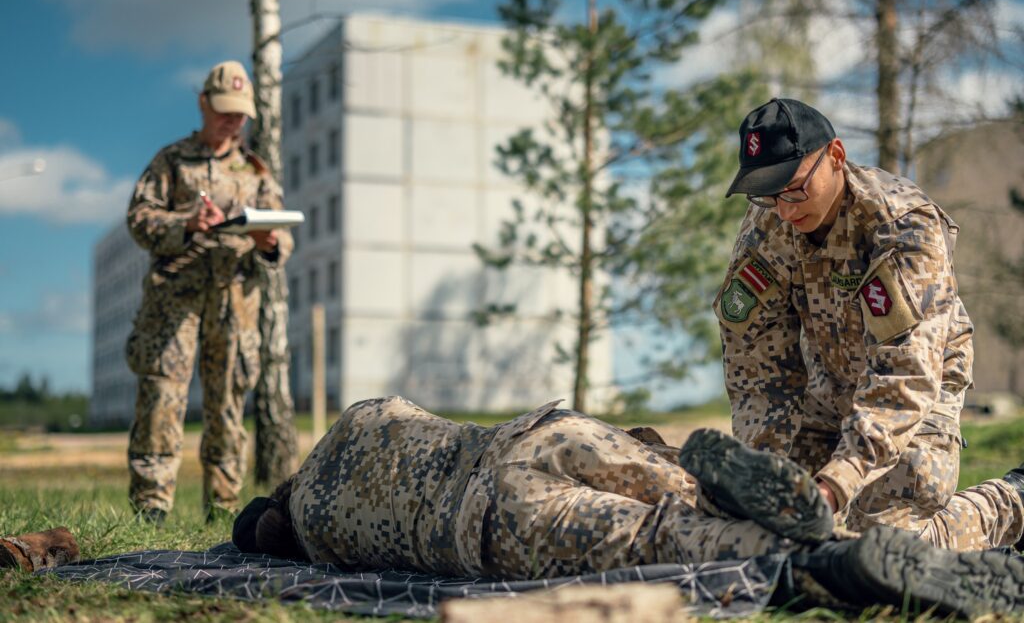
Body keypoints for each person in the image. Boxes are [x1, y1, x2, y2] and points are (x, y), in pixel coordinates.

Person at [232, 397, 1023, 616]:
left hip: (498, 517)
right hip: (542, 431)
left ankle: (826, 563)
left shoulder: (318, 532)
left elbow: (285, 536)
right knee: (680, 483)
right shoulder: (359, 419)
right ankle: (1011, 499)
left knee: (679, 538)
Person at [715, 97, 1024, 551]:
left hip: (919, 392)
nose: (784, 210)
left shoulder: (902, 226)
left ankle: (1013, 502)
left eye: (794, 188)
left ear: (836, 156)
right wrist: (766, 474)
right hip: (827, 388)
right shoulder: (769, 225)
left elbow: (905, 375)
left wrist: (836, 483)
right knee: (777, 534)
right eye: (767, 193)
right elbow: (757, 368)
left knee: (877, 545)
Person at [125, 61, 293, 524]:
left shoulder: (256, 173)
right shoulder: (171, 160)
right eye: (224, 111)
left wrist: (268, 241)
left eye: (240, 114)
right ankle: (150, 509)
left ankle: (222, 510)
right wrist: (186, 223)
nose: (232, 121)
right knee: (161, 400)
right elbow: (139, 219)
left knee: (228, 407)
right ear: (203, 104)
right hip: (173, 304)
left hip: (234, 304)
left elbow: (282, 239)